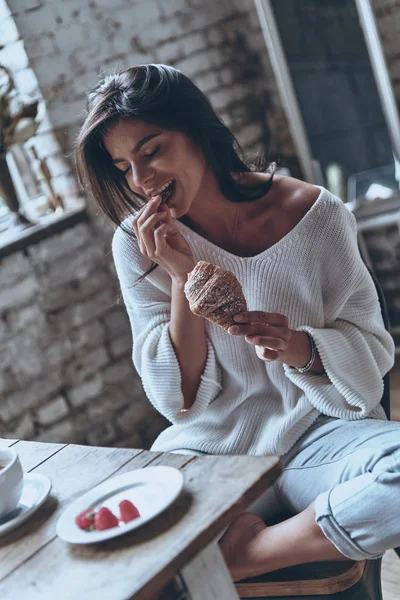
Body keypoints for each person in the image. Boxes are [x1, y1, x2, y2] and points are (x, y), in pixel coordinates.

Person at [76, 63, 400, 582]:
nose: (141, 181)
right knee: (120, 547)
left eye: (151, 151)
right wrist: (180, 274)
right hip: (208, 451)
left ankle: (253, 552)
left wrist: (300, 347)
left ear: (198, 131)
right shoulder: (135, 245)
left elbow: (372, 352)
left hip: (317, 436)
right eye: (123, 167)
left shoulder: (316, 215)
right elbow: (176, 398)